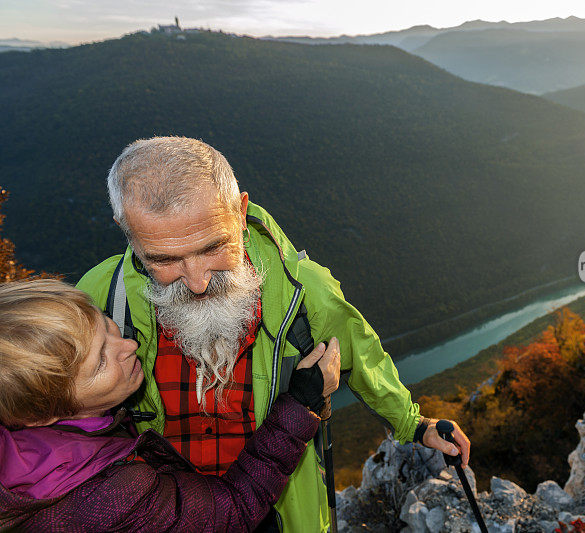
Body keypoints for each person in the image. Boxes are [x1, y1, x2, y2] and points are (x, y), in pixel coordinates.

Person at [76, 136, 471, 532]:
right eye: (163, 259)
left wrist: (414, 425)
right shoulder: (99, 300)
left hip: (274, 512)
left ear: (240, 210)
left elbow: (360, 354)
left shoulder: (303, 294)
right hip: (163, 515)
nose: (197, 281)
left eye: (214, 247)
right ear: (127, 233)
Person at [0, 279, 339, 531]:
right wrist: (300, 405)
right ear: (42, 413)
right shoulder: (110, 496)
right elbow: (231, 512)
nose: (129, 345)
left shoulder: (25, 446)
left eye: (106, 324)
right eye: (100, 363)